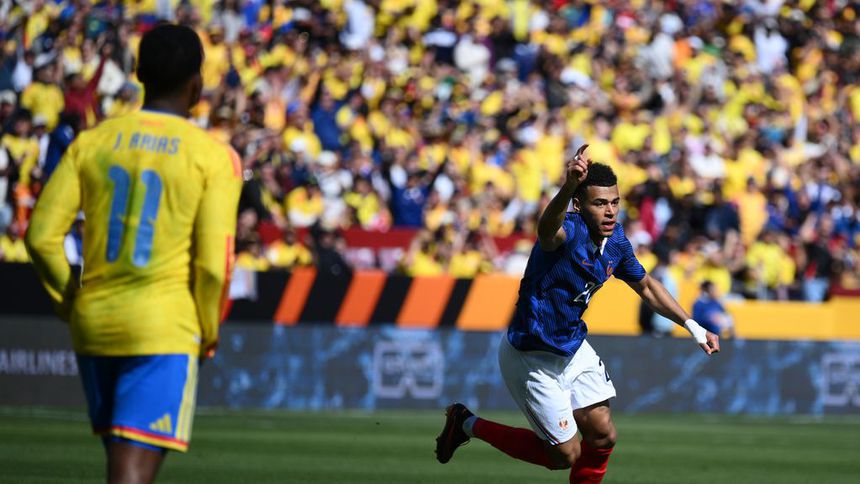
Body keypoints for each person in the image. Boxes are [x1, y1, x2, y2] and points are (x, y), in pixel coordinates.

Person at [25, 24, 242, 484]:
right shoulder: (212, 156)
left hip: (95, 321)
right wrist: (207, 328)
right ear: (197, 84)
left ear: (138, 73)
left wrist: (71, 297)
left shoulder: (93, 142)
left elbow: (41, 236)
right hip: (164, 325)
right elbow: (211, 264)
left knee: (121, 459)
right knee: (132, 471)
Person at [436, 145, 720, 482]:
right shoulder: (566, 231)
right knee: (564, 456)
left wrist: (692, 326)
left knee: (603, 435)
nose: (610, 211)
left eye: (614, 202)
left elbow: (647, 286)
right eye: (600, 203)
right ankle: (466, 423)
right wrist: (569, 184)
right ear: (578, 205)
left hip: (572, 346)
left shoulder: (617, 242)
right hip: (532, 356)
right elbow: (546, 229)